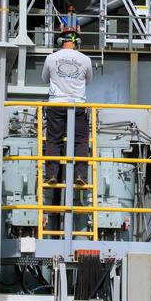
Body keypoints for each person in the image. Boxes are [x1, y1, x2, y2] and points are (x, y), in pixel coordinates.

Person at [41, 29, 93, 186]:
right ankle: (81, 176)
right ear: (77, 42)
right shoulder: (85, 59)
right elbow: (88, 80)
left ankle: (51, 175)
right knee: (81, 141)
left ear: (59, 42)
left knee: (53, 141)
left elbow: (45, 79)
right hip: (77, 105)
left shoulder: (51, 58)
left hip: (56, 104)